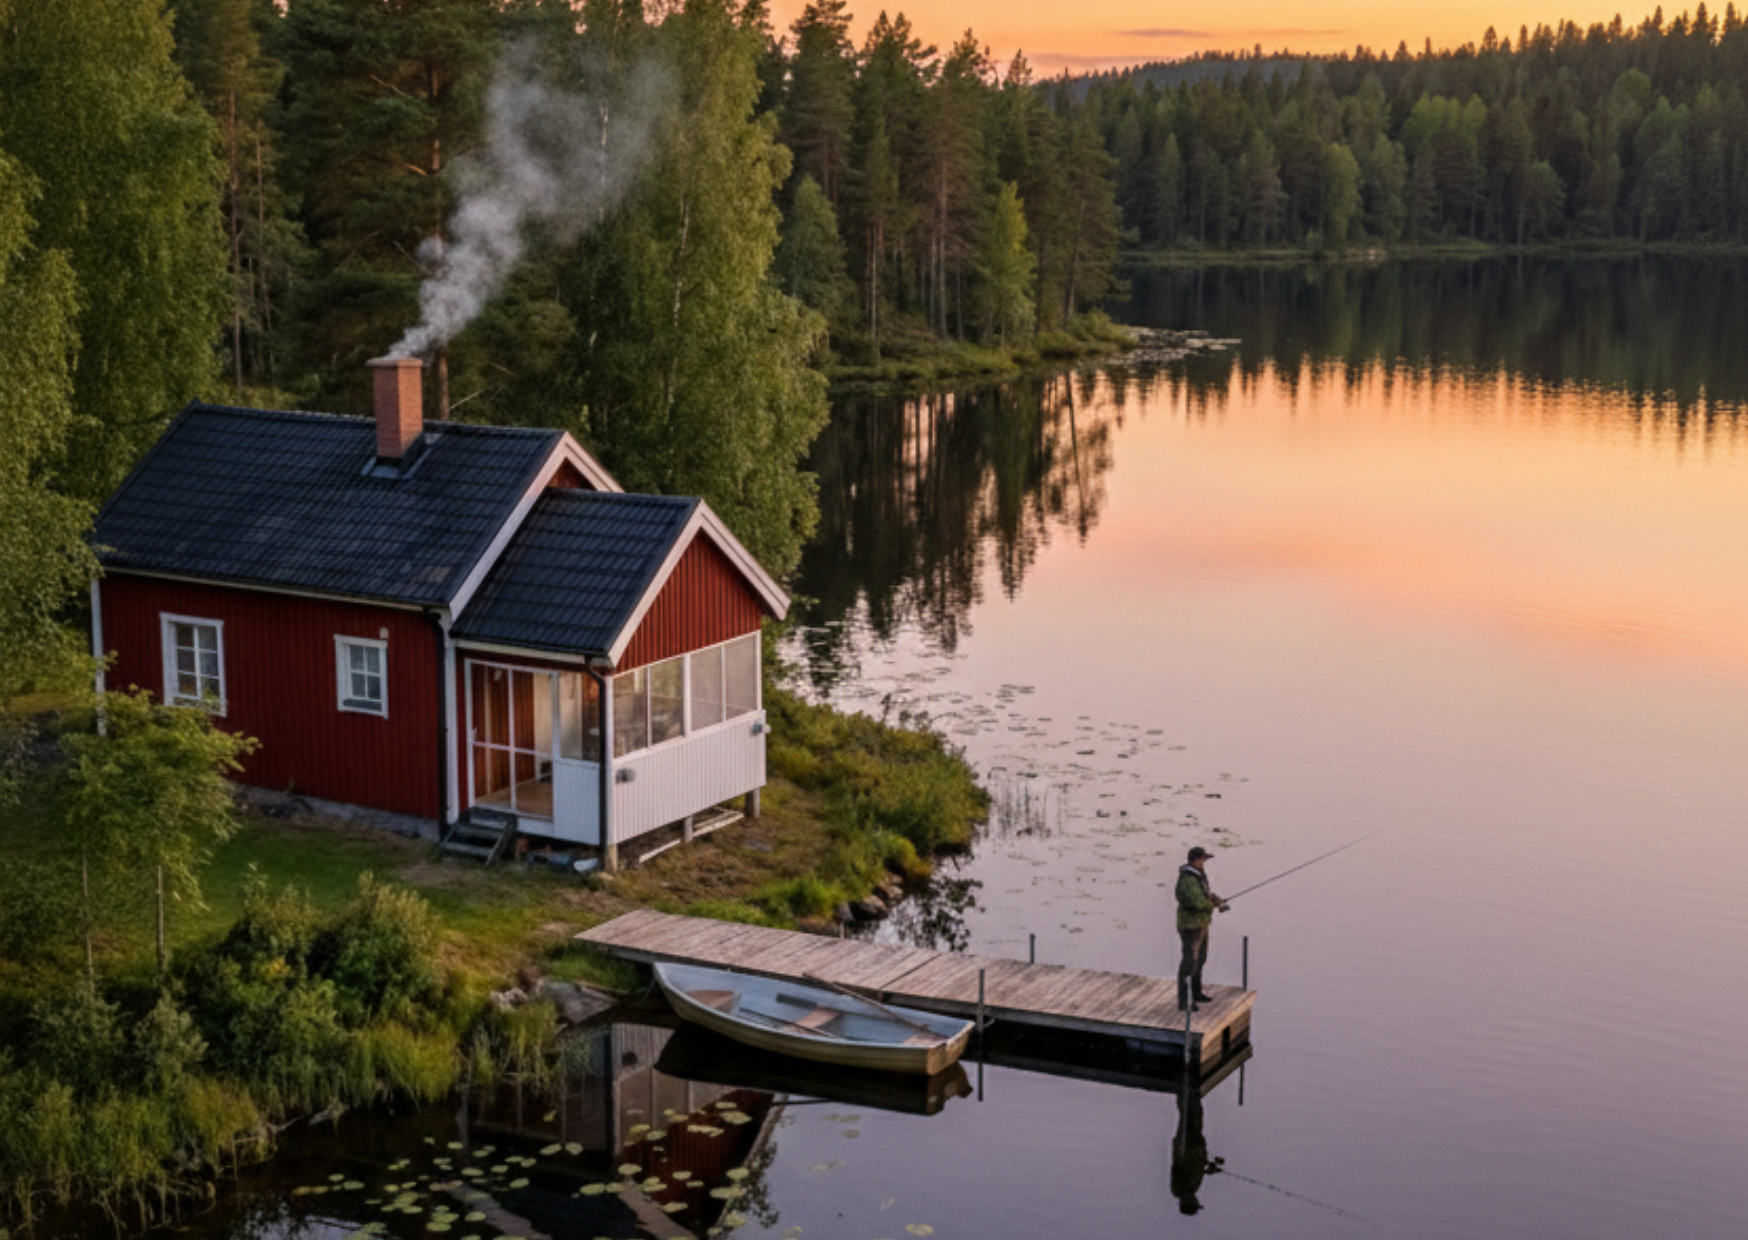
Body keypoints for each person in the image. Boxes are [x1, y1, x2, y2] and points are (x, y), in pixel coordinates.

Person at [1175, 845, 1229, 1010]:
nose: (1204, 862)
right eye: (1202, 859)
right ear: (1194, 860)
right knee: (1189, 962)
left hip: (1201, 924)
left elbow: (1205, 896)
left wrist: (1218, 901)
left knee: (1201, 959)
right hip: (1190, 926)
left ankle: (1197, 993)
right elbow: (1197, 903)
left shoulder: (1199, 876)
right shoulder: (1187, 880)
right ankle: (1184, 1001)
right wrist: (1212, 905)